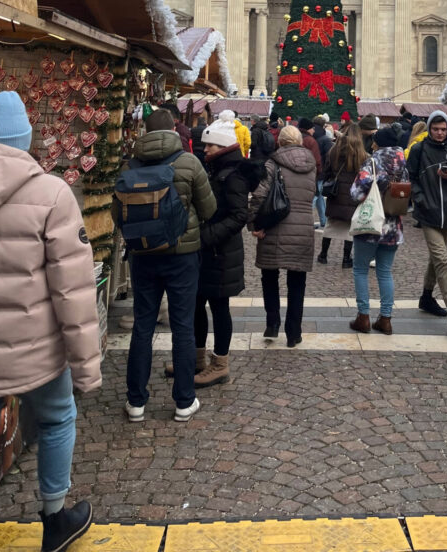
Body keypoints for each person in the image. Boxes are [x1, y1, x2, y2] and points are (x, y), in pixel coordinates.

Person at [0, 91, 101, 552]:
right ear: (25, 141)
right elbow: (72, 291)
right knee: (56, 418)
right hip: (36, 353)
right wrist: (87, 369)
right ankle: (55, 518)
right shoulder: (52, 193)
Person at [118, 109, 216, 424]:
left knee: (142, 326)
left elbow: (116, 212)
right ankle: (184, 401)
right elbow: (209, 209)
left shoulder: (129, 164)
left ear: (145, 131)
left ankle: (136, 402)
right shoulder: (189, 162)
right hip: (181, 256)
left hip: (142, 256)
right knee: (183, 325)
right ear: (174, 129)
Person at [189, 117, 264, 386]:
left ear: (220, 146)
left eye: (208, 146)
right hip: (209, 251)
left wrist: (206, 236)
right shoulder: (218, 169)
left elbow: (238, 216)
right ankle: (196, 360)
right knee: (197, 303)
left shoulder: (232, 175)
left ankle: (219, 363)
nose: (204, 150)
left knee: (219, 308)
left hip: (220, 253)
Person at [249, 125, 316, 347]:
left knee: (269, 277)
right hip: (303, 229)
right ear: (300, 142)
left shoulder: (273, 163)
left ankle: (272, 323)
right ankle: (294, 332)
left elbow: (259, 196)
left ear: (280, 142)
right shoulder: (311, 165)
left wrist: (254, 224)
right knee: (297, 282)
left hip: (274, 227)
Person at [407, 111, 447, 335]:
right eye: (436, 129)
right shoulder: (419, 150)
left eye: (443, 129)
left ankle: (426, 297)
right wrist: (420, 199)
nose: (440, 133)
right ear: (429, 129)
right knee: (442, 258)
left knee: (435, 258)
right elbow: (410, 176)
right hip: (428, 213)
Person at [349, 127, 408, 334]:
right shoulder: (403, 163)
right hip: (393, 226)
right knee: (385, 272)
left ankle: (363, 317)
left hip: (370, 224)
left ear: (378, 143)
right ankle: (385, 319)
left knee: (360, 269)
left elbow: (356, 193)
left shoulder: (372, 162)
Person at [318, 122, 366, 267]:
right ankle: (346, 258)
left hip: (336, 193)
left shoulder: (334, 150)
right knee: (350, 227)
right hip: (353, 195)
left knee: (331, 223)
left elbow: (326, 172)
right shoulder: (362, 154)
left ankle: (323, 254)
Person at [311, 116, 334, 229]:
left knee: (318, 196)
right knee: (315, 196)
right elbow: (330, 156)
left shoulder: (311, 136)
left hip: (311, 170)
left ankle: (324, 220)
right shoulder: (325, 138)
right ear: (323, 125)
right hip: (321, 171)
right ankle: (307, 220)